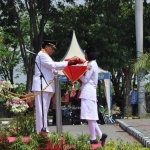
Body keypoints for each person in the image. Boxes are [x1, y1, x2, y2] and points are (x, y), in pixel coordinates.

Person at [32, 40, 76, 134]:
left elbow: (52, 69)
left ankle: (44, 129)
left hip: (46, 86)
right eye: (52, 48)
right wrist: (67, 63)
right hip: (41, 85)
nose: (53, 51)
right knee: (42, 110)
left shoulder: (46, 56)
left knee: (44, 109)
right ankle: (41, 131)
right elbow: (53, 65)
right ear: (47, 46)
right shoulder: (42, 55)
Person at [79, 46, 107, 146]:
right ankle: (100, 135)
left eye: (85, 54)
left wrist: (78, 75)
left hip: (87, 92)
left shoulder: (90, 65)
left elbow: (85, 79)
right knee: (91, 117)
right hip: (90, 92)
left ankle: (93, 138)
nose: (84, 55)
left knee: (89, 117)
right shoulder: (93, 64)